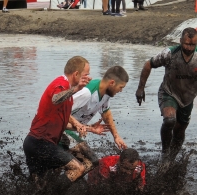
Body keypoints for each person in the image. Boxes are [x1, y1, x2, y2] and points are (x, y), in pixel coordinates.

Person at [23, 56, 99, 186]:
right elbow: (55, 99)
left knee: (38, 186)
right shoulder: (61, 83)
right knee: (79, 168)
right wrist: (76, 89)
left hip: (36, 144)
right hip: (40, 143)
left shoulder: (67, 94)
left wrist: (89, 128)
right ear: (76, 74)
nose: (89, 78)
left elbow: (63, 123)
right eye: (86, 75)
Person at [135, 27, 197, 176]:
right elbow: (148, 64)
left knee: (180, 130)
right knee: (170, 120)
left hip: (188, 98)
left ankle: (172, 159)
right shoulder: (169, 53)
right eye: (186, 44)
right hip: (168, 93)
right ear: (180, 41)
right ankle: (165, 154)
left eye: (192, 45)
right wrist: (141, 88)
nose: (189, 48)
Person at [63, 66, 128, 169]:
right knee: (90, 162)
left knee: (88, 163)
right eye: (121, 87)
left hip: (71, 130)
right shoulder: (87, 93)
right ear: (112, 83)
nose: (121, 91)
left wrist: (116, 136)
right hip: (60, 130)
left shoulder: (105, 93)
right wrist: (78, 124)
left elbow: (106, 113)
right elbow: (61, 109)